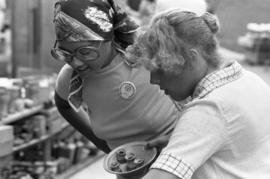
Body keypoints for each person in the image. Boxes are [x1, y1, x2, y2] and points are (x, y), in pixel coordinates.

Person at [129, 9, 270, 179]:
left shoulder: (208, 108)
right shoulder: (251, 80)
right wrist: (180, 140)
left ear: (191, 58)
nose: (153, 80)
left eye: (160, 69)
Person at [51, 0, 180, 162]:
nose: (76, 62)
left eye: (85, 52)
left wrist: (184, 137)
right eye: (65, 53)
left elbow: (196, 88)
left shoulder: (144, 53)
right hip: (130, 167)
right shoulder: (72, 78)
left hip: (177, 153)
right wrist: (104, 145)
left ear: (108, 38)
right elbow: (63, 104)